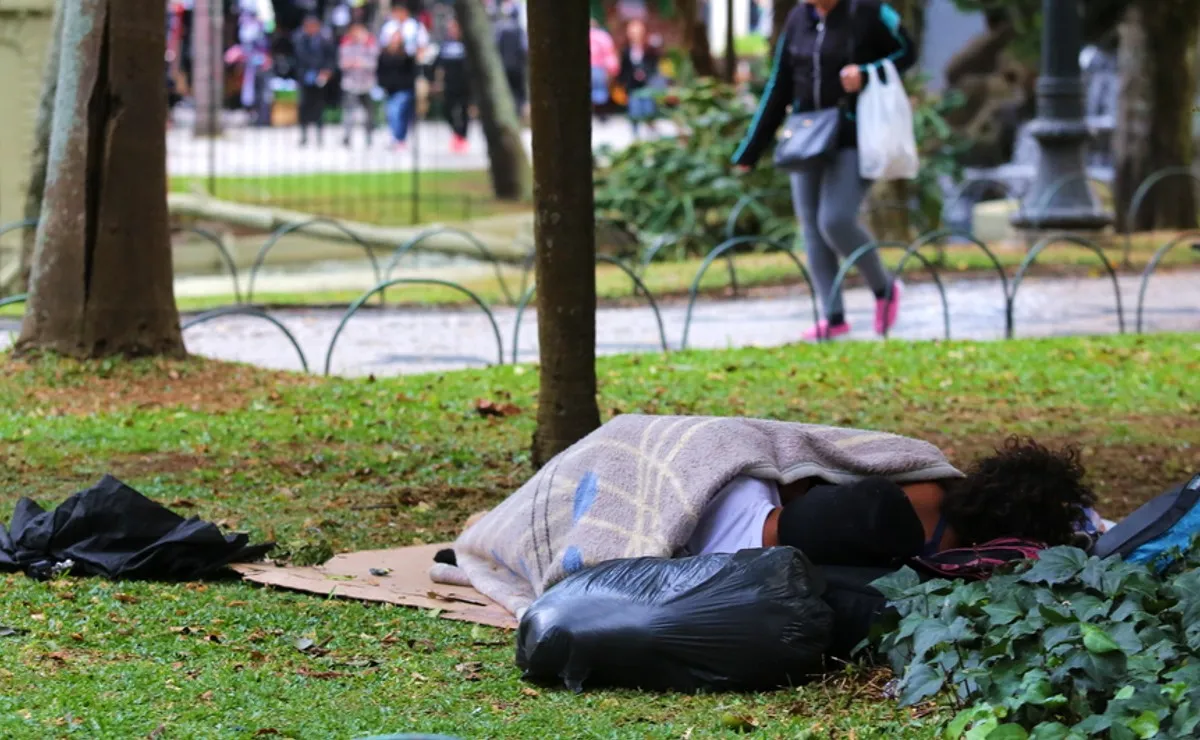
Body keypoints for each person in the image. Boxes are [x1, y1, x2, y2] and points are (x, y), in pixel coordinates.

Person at [732, 0, 917, 341]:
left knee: (835, 219)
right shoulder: (798, 18)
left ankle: (884, 288)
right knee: (812, 229)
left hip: (854, 134)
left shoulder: (871, 11)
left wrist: (867, 72)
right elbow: (779, 84)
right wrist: (751, 149)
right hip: (806, 135)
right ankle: (833, 317)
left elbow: (908, 51)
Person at [684, 437, 1099, 564]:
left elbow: (807, 470)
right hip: (735, 520)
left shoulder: (929, 492)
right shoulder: (955, 556)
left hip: (733, 493)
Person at [291, 15, 336, 147]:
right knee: (303, 106)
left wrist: (326, 71)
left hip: (320, 78)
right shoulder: (300, 40)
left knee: (319, 107)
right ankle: (304, 135)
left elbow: (331, 58)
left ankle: (319, 136)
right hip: (305, 78)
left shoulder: (324, 40)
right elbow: (299, 58)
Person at [338, 22, 379, 148]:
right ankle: (347, 137)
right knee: (349, 113)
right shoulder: (346, 45)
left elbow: (374, 63)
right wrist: (353, 63)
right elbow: (342, 63)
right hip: (350, 84)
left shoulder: (370, 45)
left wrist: (361, 62)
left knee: (368, 113)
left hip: (366, 85)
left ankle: (369, 137)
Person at [618, 20, 661, 139]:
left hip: (647, 86)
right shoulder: (626, 50)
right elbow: (623, 69)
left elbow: (654, 66)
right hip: (633, 86)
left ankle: (651, 136)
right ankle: (636, 137)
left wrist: (645, 74)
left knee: (649, 111)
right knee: (634, 111)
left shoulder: (649, 49)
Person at [377, 31, 417, 151]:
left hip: (404, 90)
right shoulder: (384, 56)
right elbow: (380, 72)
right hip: (390, 90)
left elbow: (411, 74)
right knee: (392, 115)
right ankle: (398, 138)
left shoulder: (406, 57)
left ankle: (398, 138)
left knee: (398, 113)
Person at [435, 18, 471, 153]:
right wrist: (435, 81)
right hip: (449, 84)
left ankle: (462, 136)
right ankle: (457, 133)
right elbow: (437, 63)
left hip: (465, 85)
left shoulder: (467, 44)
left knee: (463, 112)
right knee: (447, 111)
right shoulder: (445, 45)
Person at [493, 1, 528, 116]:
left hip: (505, 66)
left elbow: (496, 47)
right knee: (518, 93)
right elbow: (524, 48)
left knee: (507, 92)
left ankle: (509, 114)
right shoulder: (519, 30)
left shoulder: (500, 29)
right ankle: (517, 114)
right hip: (517, 67)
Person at [589, 18, 620, 116]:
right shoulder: (603, 36)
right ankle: (601, 114)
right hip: (599, 69)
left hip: (596, 68)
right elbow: (609, 54)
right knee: (600, 92)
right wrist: (613, 69)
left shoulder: (602, 36)